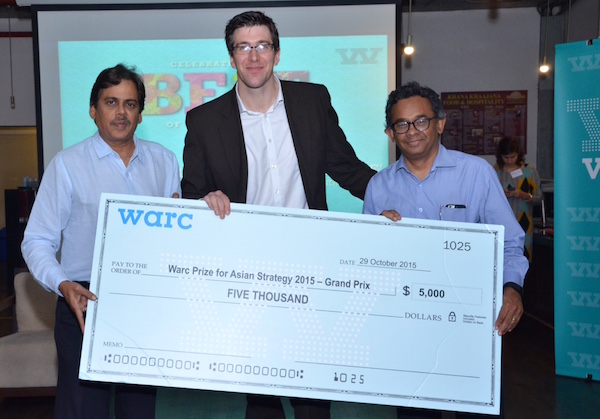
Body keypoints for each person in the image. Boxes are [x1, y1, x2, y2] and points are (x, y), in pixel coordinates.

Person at [181, 10, 376, 419]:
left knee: (313, 393)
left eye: (262, 45)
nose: (253, 56)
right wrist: (204, 200)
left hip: (312, 264)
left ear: (277, 52)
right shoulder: (203, 121)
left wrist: (398, 198)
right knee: (261, 395)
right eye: (243, 47)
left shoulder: (313, 101)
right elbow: (193, 194)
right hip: (247, 271)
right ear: (231, 57)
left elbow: (346, 168)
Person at [21, 64, 181, 419]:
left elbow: (173, 240)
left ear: (141, 113)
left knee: (138, 411)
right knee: (82, 411)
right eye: (111, 102)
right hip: (83, 302)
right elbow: (36, 240)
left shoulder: (165, 162)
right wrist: (62, 284)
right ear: (93, 110)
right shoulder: (67, 165)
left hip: (143, 305)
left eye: (130, 104)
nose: (121, 112)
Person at [362, 81, 529, 419]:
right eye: (401, 124)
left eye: (421, 121)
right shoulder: (378, 187)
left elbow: (511, 241)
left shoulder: (477, 174)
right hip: (409, 333)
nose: (412, 131)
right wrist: (377, 236)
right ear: (390, 134)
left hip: (472, 326)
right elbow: (367, 263)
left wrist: (512, 289)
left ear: (440, 124)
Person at [494, 136, 542, 263]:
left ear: (518, 154)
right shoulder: (496, 172)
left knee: (523, 258)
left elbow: (539, 199)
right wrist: (501, 195)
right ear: (500, 156)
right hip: (501, 223)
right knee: (501, 259)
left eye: (513, 157)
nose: (510, 160)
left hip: (524, 222)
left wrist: (523, 195)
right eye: (506, 157)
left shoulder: (529, 171)